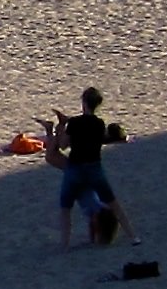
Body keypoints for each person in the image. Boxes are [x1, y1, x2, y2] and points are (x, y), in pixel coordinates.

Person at [50, 88, 131, 246]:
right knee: (113, 202)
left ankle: (64, 245)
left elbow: (63, 145)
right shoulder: (99, 124)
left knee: (66, 209)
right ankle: (133, 236)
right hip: (94, 167)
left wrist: (62, 127)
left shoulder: (75, 123)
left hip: (75, 167)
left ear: (84, 103)